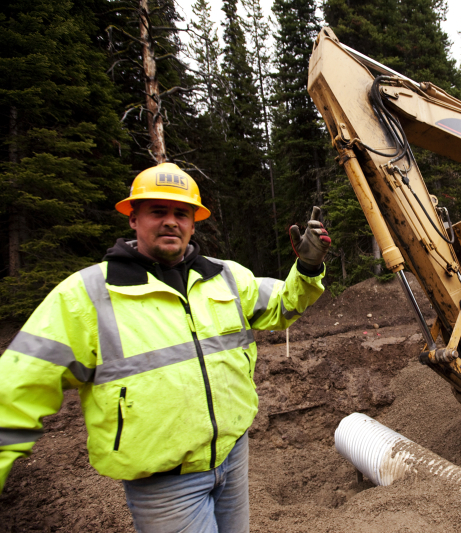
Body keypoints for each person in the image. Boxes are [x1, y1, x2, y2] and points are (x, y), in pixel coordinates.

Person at [0, 163, 331, 532]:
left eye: (181, 213)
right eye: (158, 211)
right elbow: (13, 391)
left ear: (193, 222)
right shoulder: (86, 297)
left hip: (233, 455)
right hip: (164, 483)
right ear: (133, 218)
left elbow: (283, 304)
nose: (171, 221)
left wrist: (308, 266)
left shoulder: (226, 277)